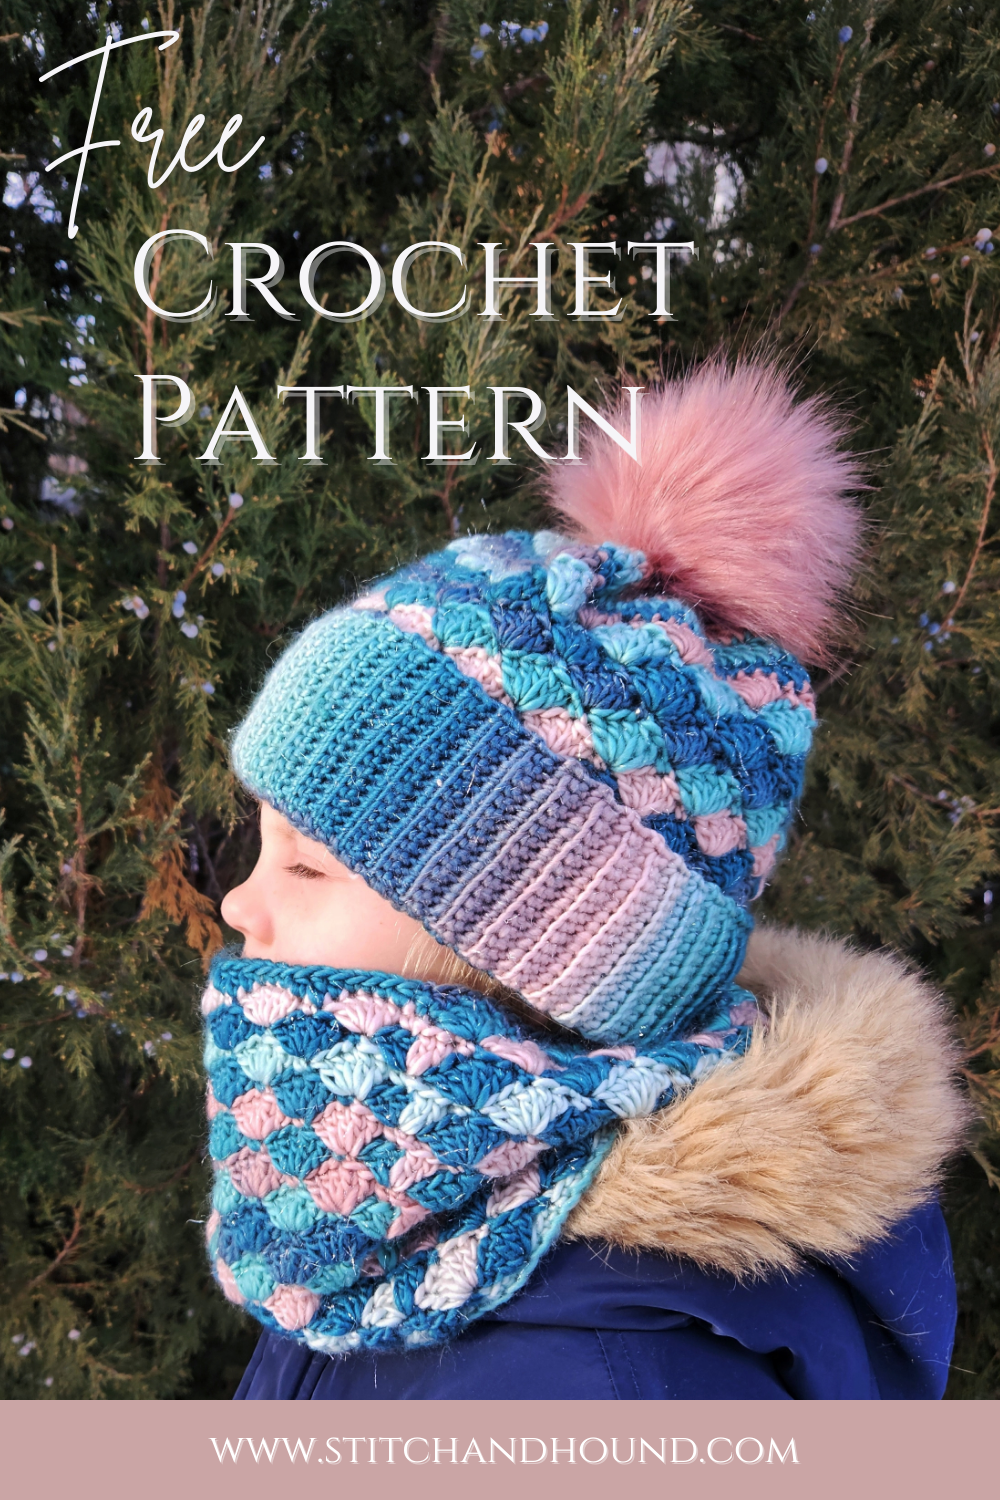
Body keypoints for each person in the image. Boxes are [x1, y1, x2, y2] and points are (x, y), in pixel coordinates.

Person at [202, 360, 969, 1400]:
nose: (239, 903)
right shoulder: (403, 1214)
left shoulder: (603, 1379)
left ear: (542, 952)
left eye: (306, 863)